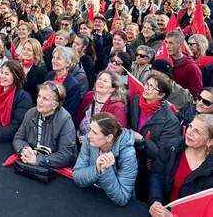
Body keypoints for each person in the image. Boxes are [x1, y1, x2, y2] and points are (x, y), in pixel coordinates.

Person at [129, 72, 182, 200]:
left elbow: (161, 154)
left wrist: (142, 140)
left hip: (147, 170)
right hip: (129, 156)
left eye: (152, 87)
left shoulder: (170, 121)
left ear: (162, 94)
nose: (146, 88)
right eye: (147, 84)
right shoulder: (136, 102)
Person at [149, 114, 213, 217]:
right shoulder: (171, 148)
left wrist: (172, 216)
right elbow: (157, 176)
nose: (190, 132)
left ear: (210, 142)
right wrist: (155, 201)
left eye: (197, 131)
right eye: (191, 126)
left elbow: (204, 209)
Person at [73, 112, 138, 206]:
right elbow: (77, 175)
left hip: (117, 208)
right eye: (90, 129)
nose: (89, 135)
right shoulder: (90, 140)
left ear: (109, 137)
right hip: (94, 195)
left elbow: (122, 198)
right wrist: (97, 169)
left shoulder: (128, 154)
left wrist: (105, 170)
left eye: (94, 132)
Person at [13, 81, 77, 168]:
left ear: (55, 104)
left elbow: (65, 155)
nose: (39, 101)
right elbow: (18, 138)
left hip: (52, 169)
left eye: (45, 99)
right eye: (39, 96)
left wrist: (38, 160)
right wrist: (24, 150)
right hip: (29, 161)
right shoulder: (31, 113)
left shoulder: (65, 120)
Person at [77, 71, 127, 139]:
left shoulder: (117, 107)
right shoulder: (89, 96)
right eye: (99, 79)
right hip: (78, 138)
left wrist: (88, 139)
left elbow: (116, 134)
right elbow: (78, 116)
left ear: (112, 88)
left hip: (99, 145)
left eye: (105, 81)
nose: (100, 82)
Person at [46, 46, 81, 119]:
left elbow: (70, 111)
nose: (54, 61)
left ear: (68, 63)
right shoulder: (49, 75)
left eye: (58, 58)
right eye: (53, 57)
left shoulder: (73, 85)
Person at [165, 30, 203, 97]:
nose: (167, 46)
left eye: (171, 43)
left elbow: (196, 93)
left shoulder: (191, 67)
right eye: (166, 42)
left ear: (180, 45)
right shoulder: (165, 61)